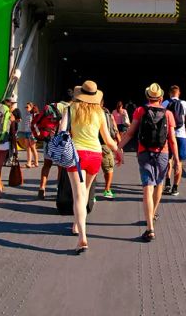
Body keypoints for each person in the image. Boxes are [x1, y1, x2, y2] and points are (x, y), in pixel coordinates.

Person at [117, 83, 179, 242]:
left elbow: (130, 133)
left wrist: (118, 148)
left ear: (147, 97)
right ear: (161, 98)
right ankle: (153, 213)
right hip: (163, 153)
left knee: (147, 187)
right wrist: (177, 160)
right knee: (159, 184)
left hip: (144, 152)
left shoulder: (140, 110)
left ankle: (150, 227)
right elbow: (172, 139)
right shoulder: (168, 114)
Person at [67, 81, 119, 254]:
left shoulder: (70, 108)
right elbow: (108, 139)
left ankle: (82, 236)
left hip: (77, 154)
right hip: (95, 155)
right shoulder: (100, 113)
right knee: (86, 192)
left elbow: (61, 131)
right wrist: (118, 151)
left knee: (78, 196)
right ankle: (77, 223)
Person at [38, 89, 74, 199]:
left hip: (49, 138)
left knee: (46, 164)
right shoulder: (71, 109)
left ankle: (42, 188)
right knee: (61, 167)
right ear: (71, 99)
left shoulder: (52, 106)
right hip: (62, 141)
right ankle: (59, 189)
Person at [162, 85, 186, 196]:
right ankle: (175, 187)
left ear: (169, 93)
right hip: (181, 135)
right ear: (179, 93)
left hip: (168, 135)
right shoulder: (185, 104)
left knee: (168, 160)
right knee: (179, 161)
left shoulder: (164, 103)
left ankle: (168, 184)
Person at [100, 99, 121, 199]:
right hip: (105, 145)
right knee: (108, 168)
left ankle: (89, 194)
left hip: (90, 145)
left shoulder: (88, 113)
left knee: (90, 171)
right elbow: (115, 131)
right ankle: (107, 189)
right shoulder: (108, 114)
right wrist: (119, 148)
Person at [19, 102, 39, 168]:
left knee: (33, 148)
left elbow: (36, 125)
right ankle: (29, 163)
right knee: (27, 148)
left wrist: (36, 133)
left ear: (31, 107)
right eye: (26, 107)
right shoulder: (28, 115)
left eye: (27, 107)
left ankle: (36, 162)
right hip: (26, 132)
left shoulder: (35, 115)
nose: (26, 108)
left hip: (32, 133)